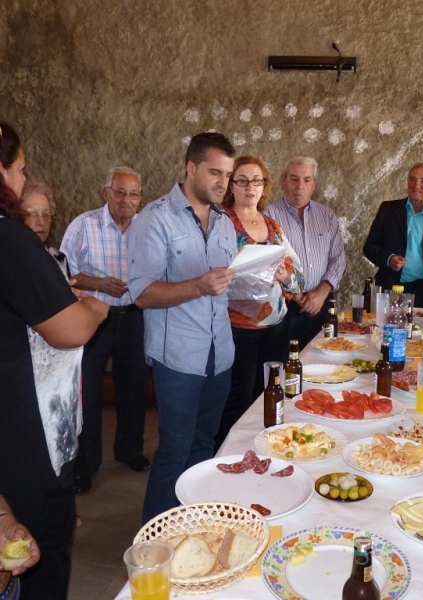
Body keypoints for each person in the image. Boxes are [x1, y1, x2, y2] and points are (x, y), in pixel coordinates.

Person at [0, 121, 108, 599]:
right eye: (19, 170)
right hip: (21, 428)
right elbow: (70, 330)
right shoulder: (9, 239)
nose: (22, 183)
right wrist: (98, 304)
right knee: (37, 545)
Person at [127, 132, 237, 523]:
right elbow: (141, 293)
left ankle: (194, 523)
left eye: (227, 174)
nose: (222, 183)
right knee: (174, 449)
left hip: (220, 354)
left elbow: (226, 285)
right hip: (179, 358)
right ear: (191, 168)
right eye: (214, 172)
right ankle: (155, 541)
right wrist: (197, 286)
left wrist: (260, 279)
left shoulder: (224, 222)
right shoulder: (154, 219)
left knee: (204, 445)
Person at [61, 167, 150, 496]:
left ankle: (130, 452)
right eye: (120, 192)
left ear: (141, 197)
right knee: (88, 391)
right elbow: (65, 272)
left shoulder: (146, 227)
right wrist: (99, 284)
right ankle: (85, 465)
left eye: (134, 194)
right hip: (92, 316)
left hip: (133, 316)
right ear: (106, 193)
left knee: (135, 386)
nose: (127, 200)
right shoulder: (84, 225)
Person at [214, 155, 304, 450]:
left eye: (256, 180)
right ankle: (229, 456)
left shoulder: (272, 224)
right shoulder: (221, 222)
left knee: (269, 392)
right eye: (242, 180)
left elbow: (298, 276)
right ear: (232, 184)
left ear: (264, 185)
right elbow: (210, 275)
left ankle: (263, 450)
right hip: (238, 327)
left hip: (276, 325)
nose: (249, 186)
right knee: (237, 399)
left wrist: (285, 276)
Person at [263, 155, 345, 349]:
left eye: (307, 180)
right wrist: (299, 297)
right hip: (284, 306)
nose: (300, 185)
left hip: (321, 304)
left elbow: (338, 260)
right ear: (283, 180)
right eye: (294, 179)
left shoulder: (327, 215)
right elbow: (269, 264)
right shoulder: (268, 215)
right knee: (284, 366)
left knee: (322, 366)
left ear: (314, 184)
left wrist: (320, 295)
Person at [363, 163, 423, 309]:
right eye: (412, 179)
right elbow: (369, 247)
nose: (416, 184)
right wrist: (389, 258)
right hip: (389, 288)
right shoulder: (388, 210)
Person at [19, 179, 69, 276]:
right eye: (32, 214)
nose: (41, 222)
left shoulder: (59, 258)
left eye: (46, 214)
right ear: (15, 217)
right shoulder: (9, 259)